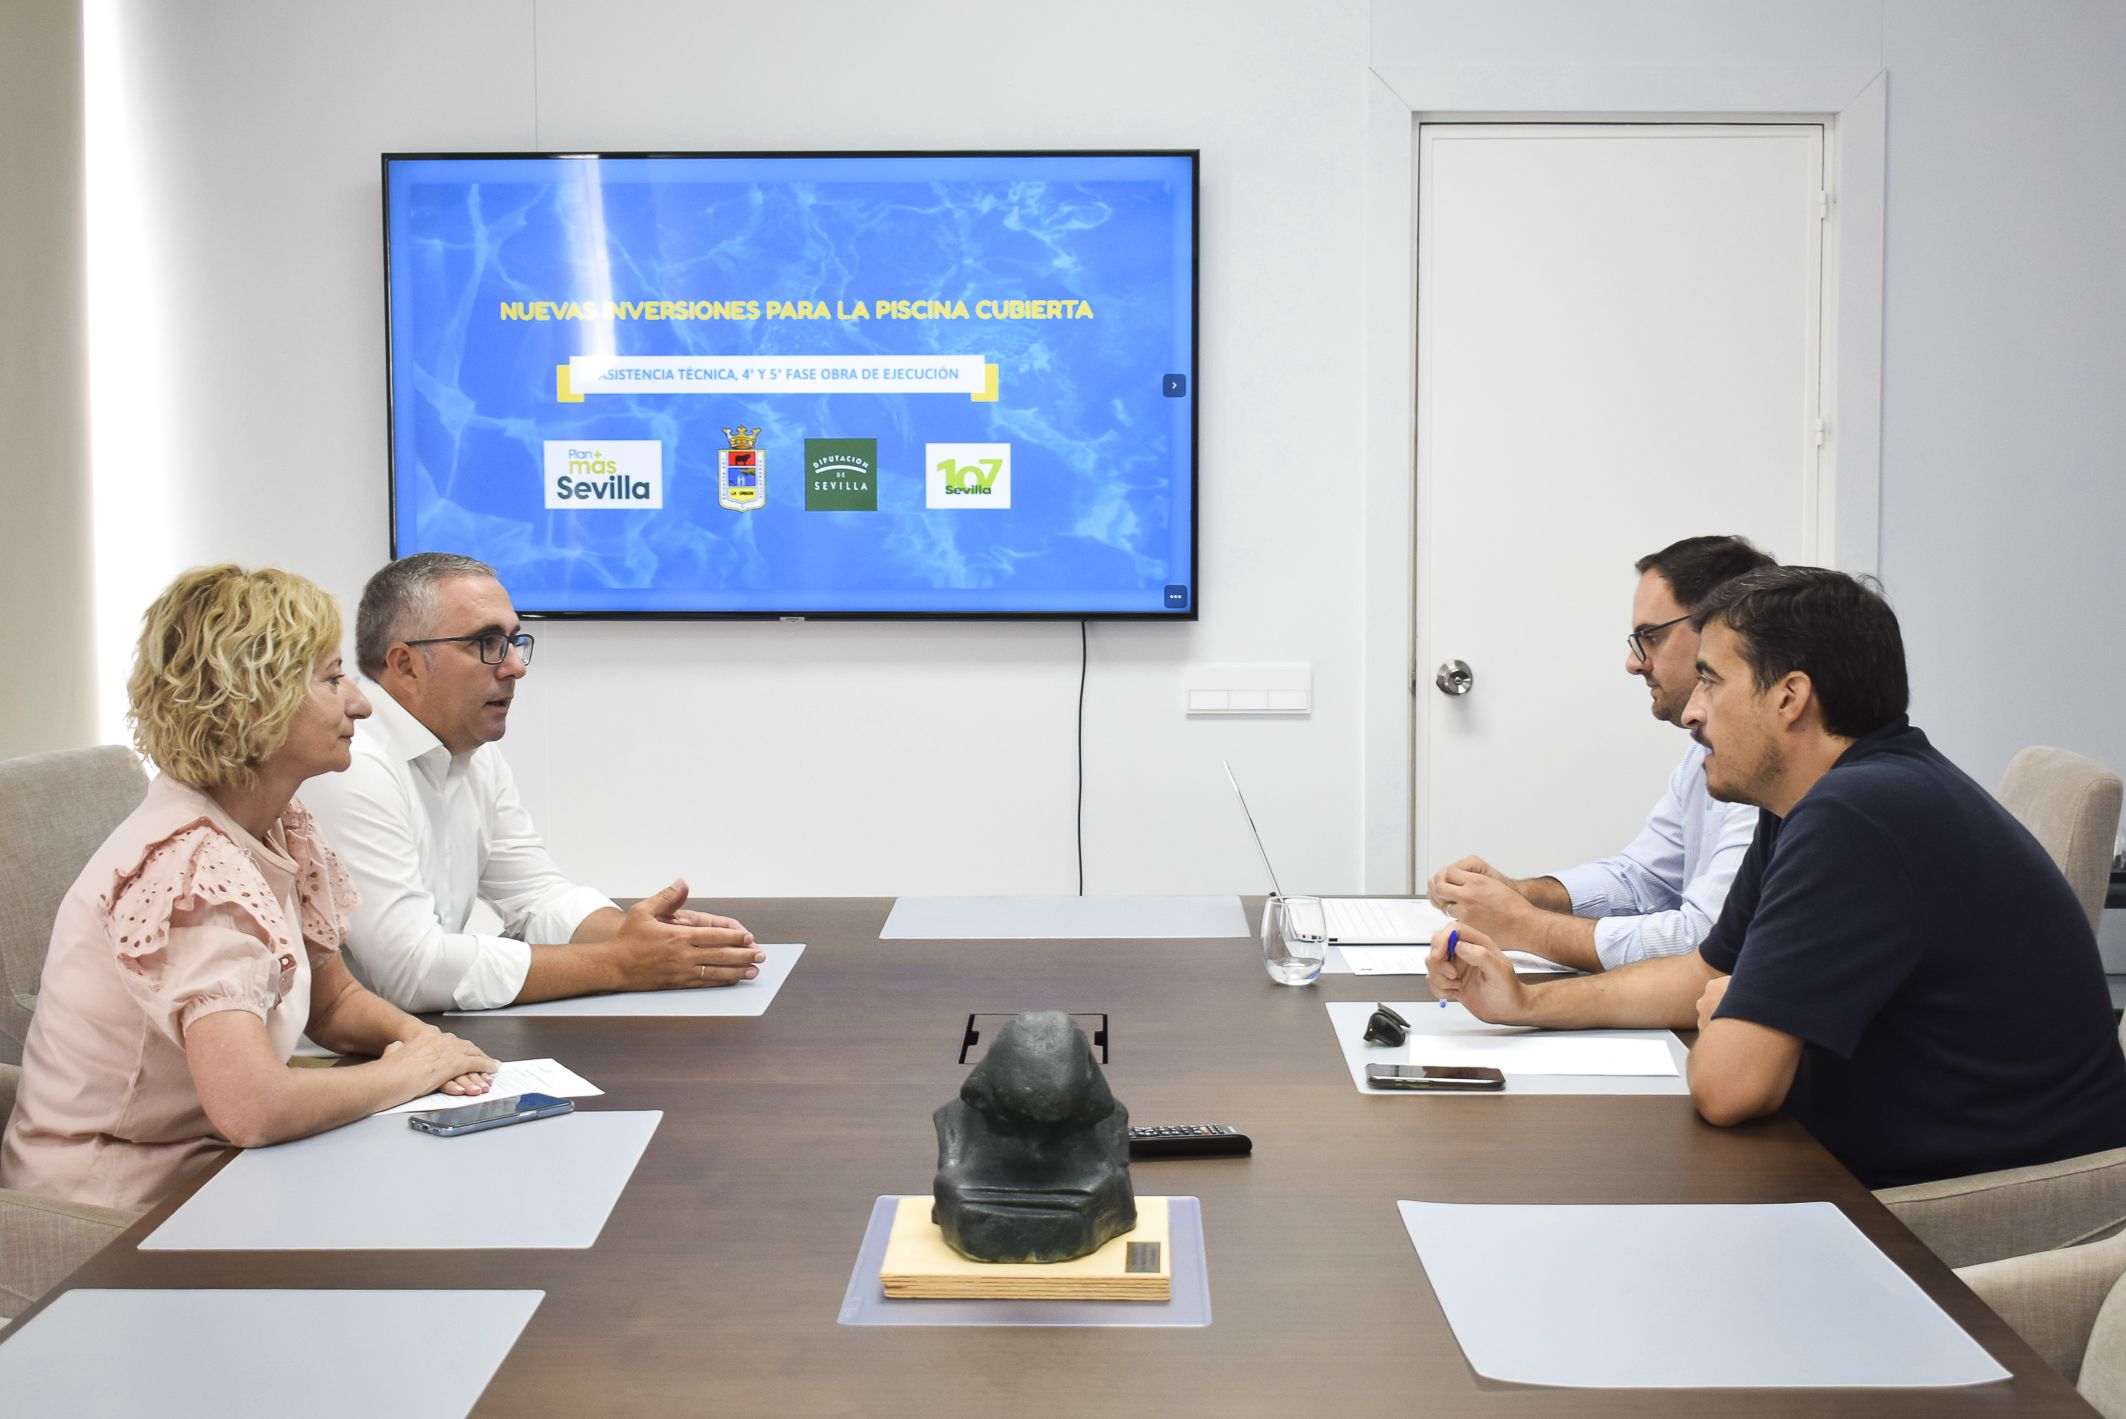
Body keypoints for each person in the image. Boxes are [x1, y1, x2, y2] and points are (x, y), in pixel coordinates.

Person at [1429, 566, 2126, 1189]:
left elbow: (1730, 1085)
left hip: (1974, 1204)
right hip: (1867, 1162)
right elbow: (1700, 970)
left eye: (1711, 679)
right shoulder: (1811, 798)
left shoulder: (1859, 814)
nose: (1694, 710)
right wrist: (1526, 1004)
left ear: (1790, 696)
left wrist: (1731, 1013)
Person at [1, 566, 499, 1212]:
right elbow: (255, 1108)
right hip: (110, 1213)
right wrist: (406, 1072)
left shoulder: (277, 825)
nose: (361, 701)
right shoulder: (192, 870)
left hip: (206, 1168)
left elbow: (332, 998)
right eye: (331, 677)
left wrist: (429, 1048)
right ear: (256, 705)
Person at [301, 553, 761, 1013]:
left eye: (515, 641)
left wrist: (644, 938)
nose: (515, 667)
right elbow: (413, 972)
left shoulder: (474, 754)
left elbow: (537, 897)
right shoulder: (351, 762)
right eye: (487, 642)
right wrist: (621, 963)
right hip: (337, 1064)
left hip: (421, 1045)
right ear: (405, 665)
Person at [1427, 535, 1774, 973]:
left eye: (1650, 637)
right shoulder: (1701, 754)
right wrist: (1519, 892)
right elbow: (1642, 879)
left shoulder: (1765, 769)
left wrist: (1526, 927)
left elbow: (1706, 941)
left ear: (1719, 633)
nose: (1634, 662)